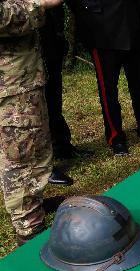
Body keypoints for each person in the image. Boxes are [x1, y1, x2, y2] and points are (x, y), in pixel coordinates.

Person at [67, 0, 140, 156]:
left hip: (133, 23)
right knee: (108, 91)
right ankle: (116, 138)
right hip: (102, 29)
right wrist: (89, 12)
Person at [0, 0, 63, 245]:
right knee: (20, 157)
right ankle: (29, 229)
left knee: (32, 148)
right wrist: (41, 4)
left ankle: (31, 203)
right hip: (11, 83)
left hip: (20, 78)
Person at [39, 4, 92, 161]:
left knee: (54, 100)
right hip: (31, 52)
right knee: (39, 107)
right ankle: (45, 158)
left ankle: (62, 147)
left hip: (52, 44)